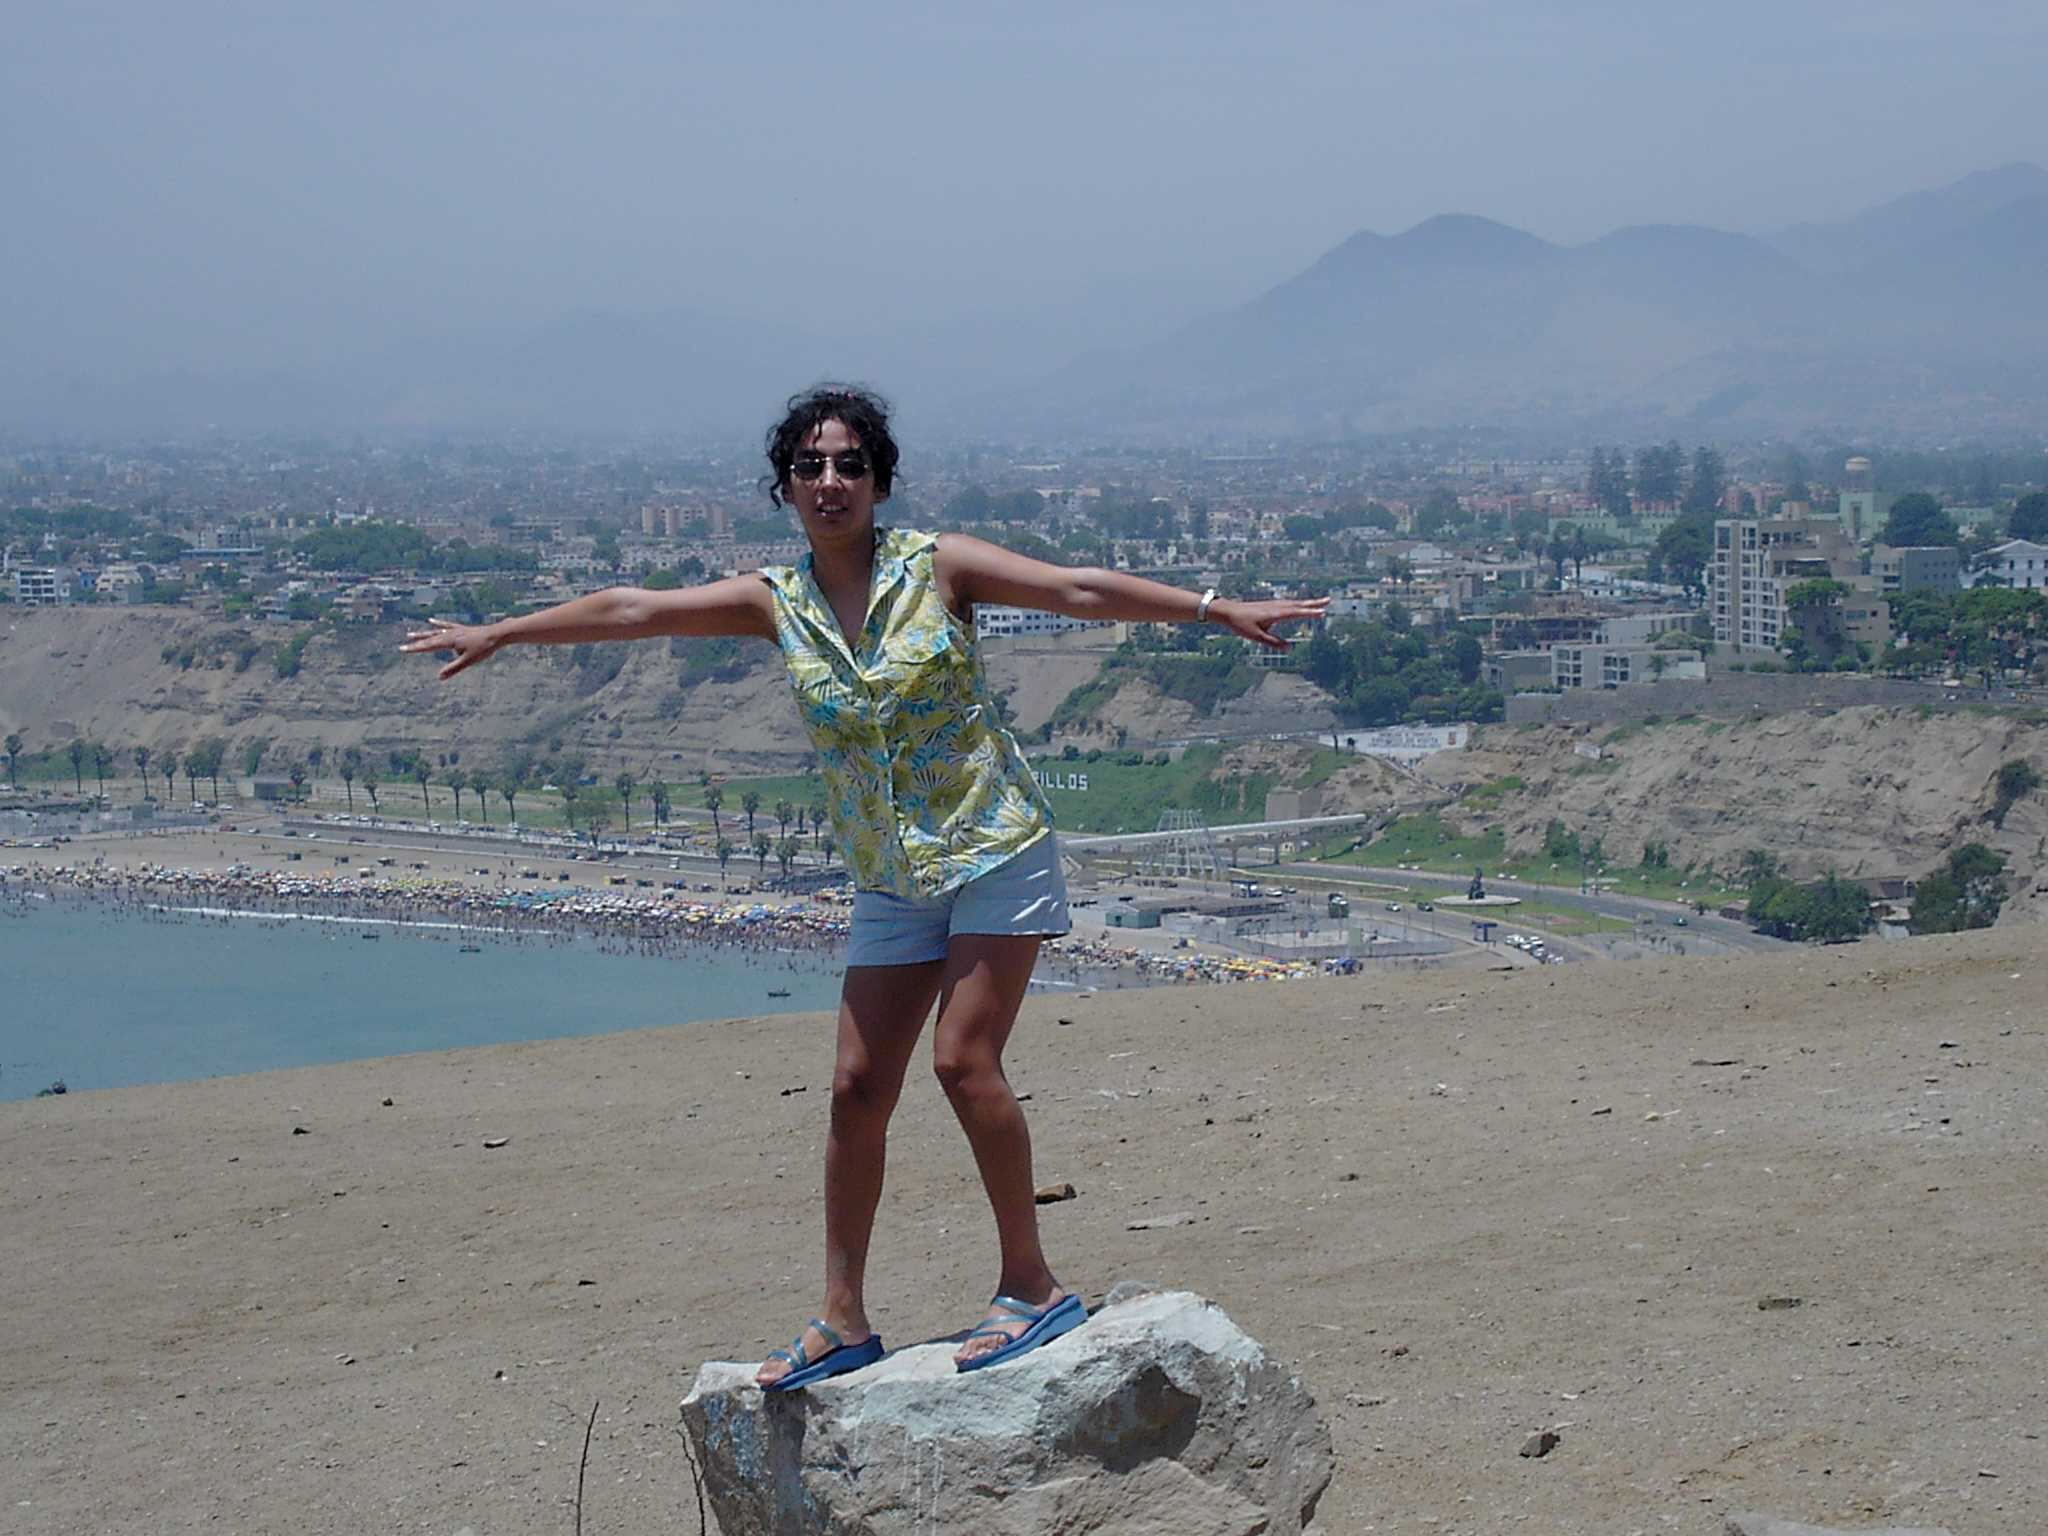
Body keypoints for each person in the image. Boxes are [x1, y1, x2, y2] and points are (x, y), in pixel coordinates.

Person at [401, 385, 1326, 1387]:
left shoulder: (938, 567)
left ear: (880, 481)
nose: (830, 481)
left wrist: (1212, 609)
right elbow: (633, 609)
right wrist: (506, 632)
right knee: (853, 1088)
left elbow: (1075, 592)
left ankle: (1030, 1285)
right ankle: (842, 1317)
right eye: (810, 466)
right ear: (786, 487)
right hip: (890, 873)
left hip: (992, 846)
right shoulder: (775, 602)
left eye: (850, 464)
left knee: (962, 1062)